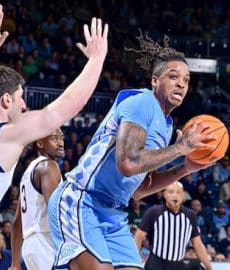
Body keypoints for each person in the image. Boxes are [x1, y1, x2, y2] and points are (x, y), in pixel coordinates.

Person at [48, 31, 217, 270]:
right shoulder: (142, 102)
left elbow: (138, 190)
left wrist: (185, 167)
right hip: (82, 199)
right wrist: (180, 148)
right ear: (155, 81)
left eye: (187, 79)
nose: (181, 83)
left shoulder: (167, 126)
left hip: (114, 212)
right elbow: (127, 163)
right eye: (173, 76)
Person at [0, 6, 108, 269]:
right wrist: (97, 60)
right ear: (6, 100)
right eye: (20, 98)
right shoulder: (3, 137)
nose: (24, 105)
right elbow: (63, 108)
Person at [10, 128, 64, 270]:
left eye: (61, 137)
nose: (60, 143)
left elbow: (17, 222)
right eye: (54, 138)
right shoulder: (48, 166)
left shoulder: (29, 171)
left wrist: (15, 263)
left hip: (31, 247)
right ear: (40, 143)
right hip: (45, 241)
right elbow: (56, 209)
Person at [134, 182, 212, 270]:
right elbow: (138, 237)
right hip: (156, 264)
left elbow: (197, 243)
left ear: (183, 195)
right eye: (171, 192)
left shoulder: (190, 215)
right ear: (165, 194)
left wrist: (209, 267)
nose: (175, 195)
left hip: (178, 265)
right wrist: (136, 261)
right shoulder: (153, 212)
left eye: (178, 192)